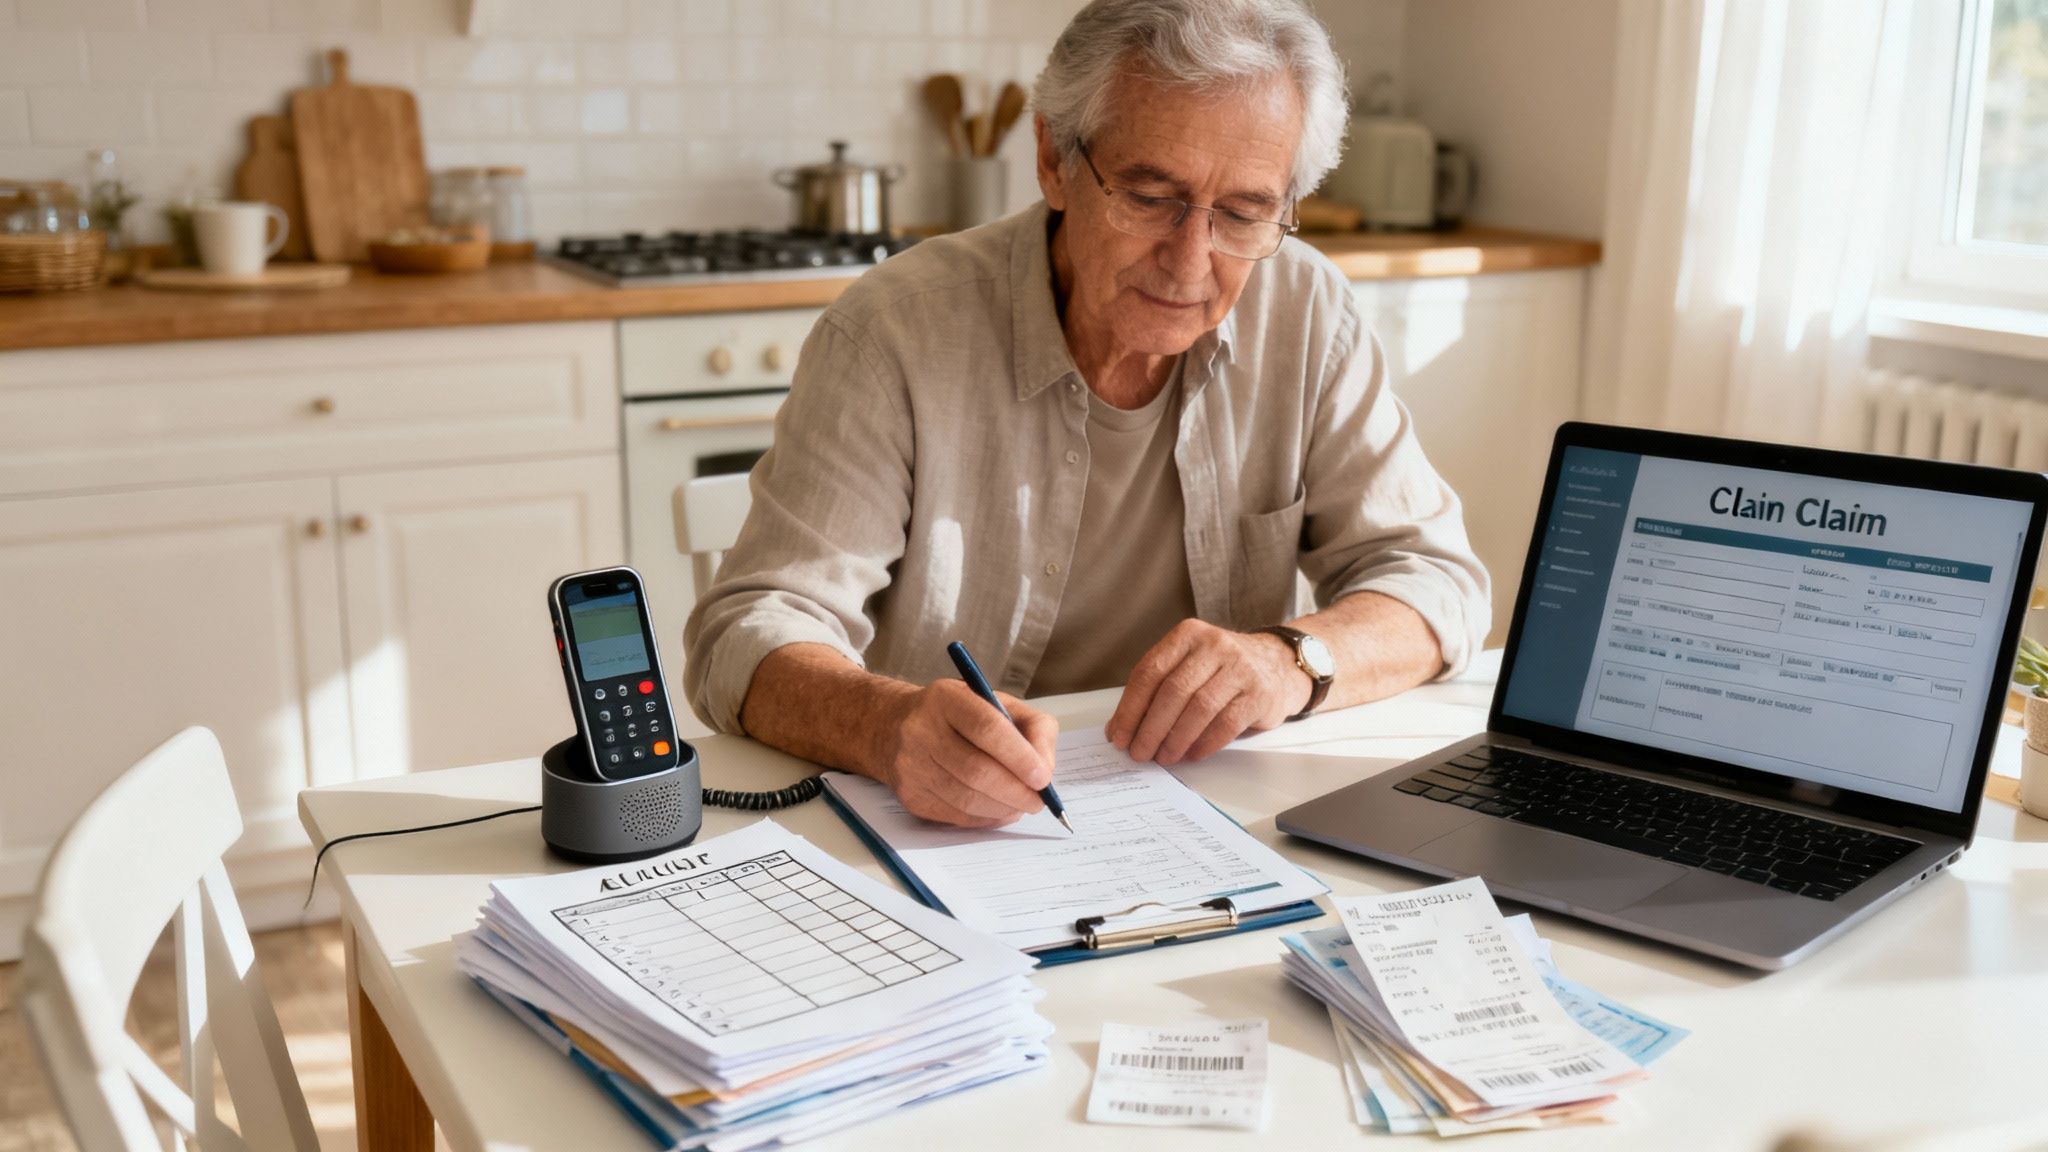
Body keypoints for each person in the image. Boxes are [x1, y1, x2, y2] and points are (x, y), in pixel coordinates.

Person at [686, 0, 1489, 828]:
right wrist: (888, 726)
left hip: (1215, 817)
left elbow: (1437, 584)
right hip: (941, 831)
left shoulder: (1307, 308)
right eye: (1149, 196)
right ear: (1052, 160)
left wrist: (1290, 661)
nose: (1190, 259)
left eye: (1244, 213)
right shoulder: (895, 331)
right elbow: (747, 634)